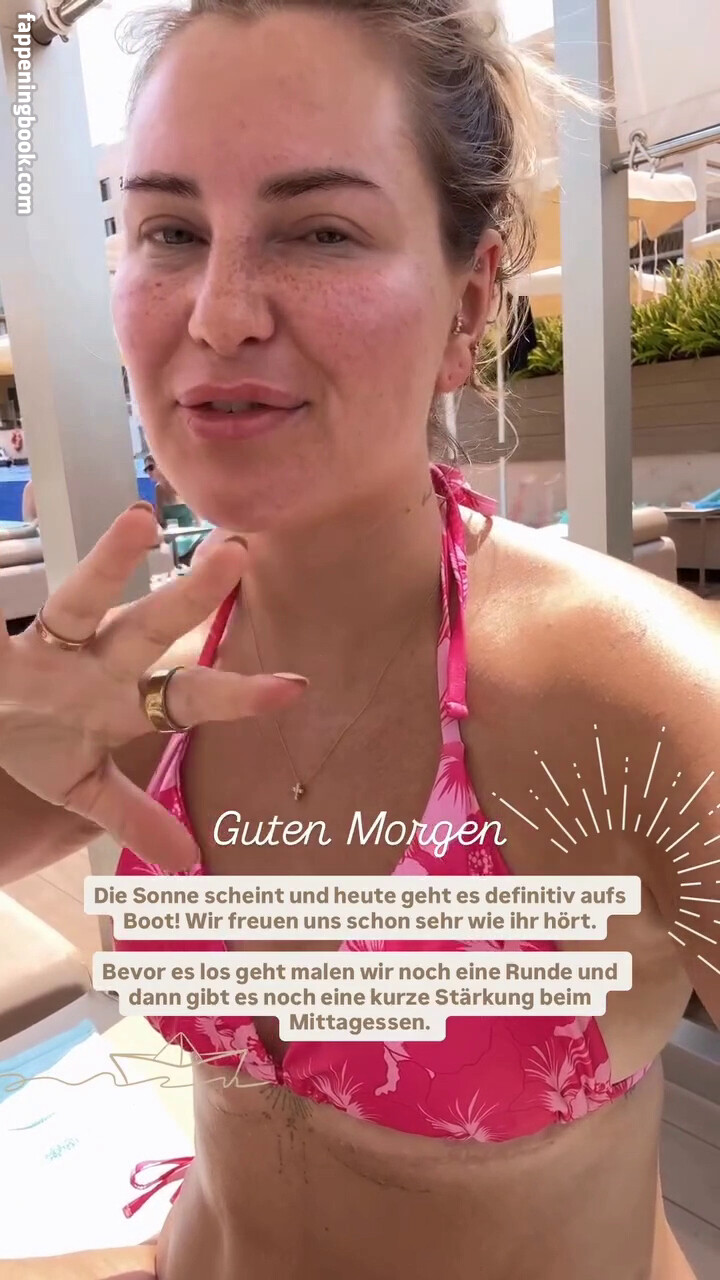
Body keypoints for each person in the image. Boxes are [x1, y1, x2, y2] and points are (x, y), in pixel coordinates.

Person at [0, 3, 717, 1278]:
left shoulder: (639, 706)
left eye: (320, 229)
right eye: (169, 230)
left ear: (468, 303)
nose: (218, 314)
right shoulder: (142, 680)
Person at [143, 453, 206, 565]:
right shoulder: (158, 489)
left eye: (151, 467)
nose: (149, 472)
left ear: (161, 465)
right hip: (172, 539)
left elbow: (198, 518)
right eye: (146, 470)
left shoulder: (181, 484)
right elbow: (159, 518)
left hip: (190, 538)